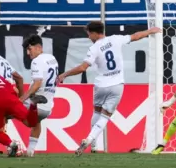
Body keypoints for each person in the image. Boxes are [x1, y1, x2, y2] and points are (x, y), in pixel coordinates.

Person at [58, 21, 161, 156]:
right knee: (105, 116)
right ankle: (90, 139)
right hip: (117, 85)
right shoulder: (115, 39)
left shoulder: (94, 48)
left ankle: (93, 145)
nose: (89, 37)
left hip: (101, 85)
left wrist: (65, 74)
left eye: (89, 34)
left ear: (95, 33)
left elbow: (83, 68)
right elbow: (135, 36)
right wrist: (149, 31)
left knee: (97, 111)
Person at [20, 34, 59, 157]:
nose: (28, 53)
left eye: (29, 49)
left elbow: (37, 83)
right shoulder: (52, 58)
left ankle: (0, 145)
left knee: (5, 112)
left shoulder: (36, 61)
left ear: (38, 47)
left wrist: (22, 98)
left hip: (36, 105)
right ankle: (30, 151)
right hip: (47, 107)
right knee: (37, 122)